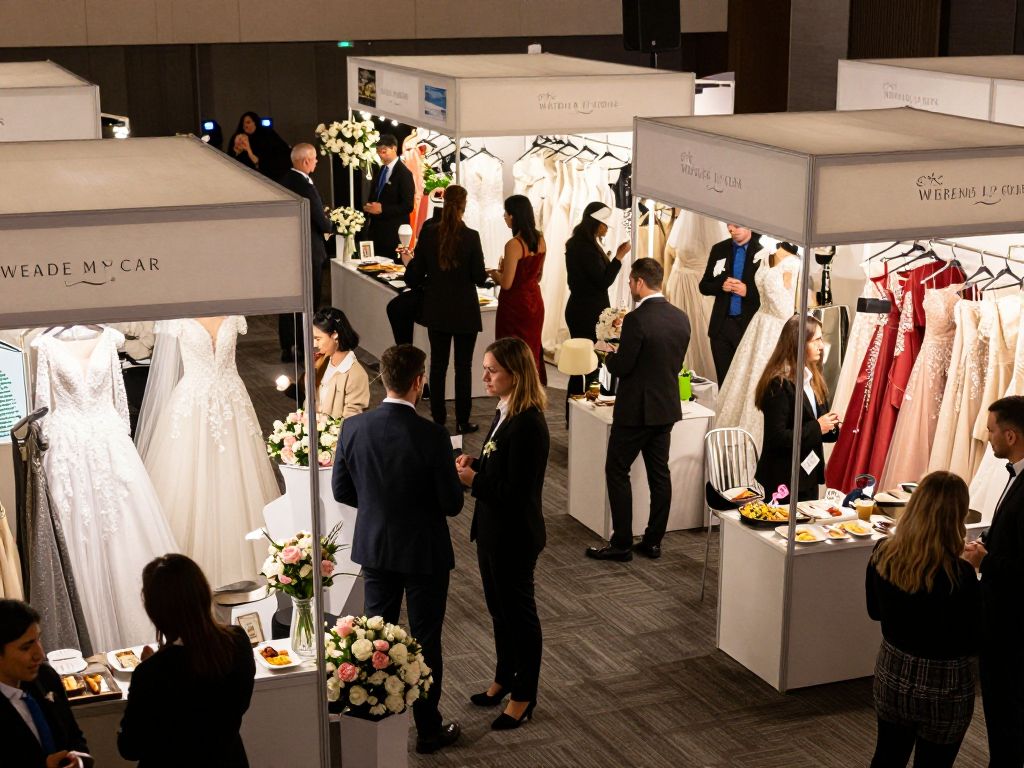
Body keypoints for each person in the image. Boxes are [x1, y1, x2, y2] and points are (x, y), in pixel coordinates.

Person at [332, 344, 464, 755]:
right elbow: (452, 504)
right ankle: (427, 729)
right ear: (419, 382)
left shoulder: (354, 429)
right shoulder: (433, 435)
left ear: (383, 379)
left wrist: (377, 506)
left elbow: (341, 489)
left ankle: (375, 720)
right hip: (424, 551)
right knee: (425, 640)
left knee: (376, 638)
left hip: (375, 546)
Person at [455, 337, 549, 730]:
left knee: (519, 616)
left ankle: (523, 695)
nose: (485, 376)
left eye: (492, 369)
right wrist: (477, 462)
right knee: (499, 612)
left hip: (514, 534)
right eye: (485, 367)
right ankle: (503, 678)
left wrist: (474, 479)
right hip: (493, 530)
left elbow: (519, 493)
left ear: (515, 373)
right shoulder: (506, 409)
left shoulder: (529, 423)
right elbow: (503, 466)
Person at [866, 471, 979, 768]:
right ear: (958, 516)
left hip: (893, 671)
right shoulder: (961, 575)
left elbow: (874, 611)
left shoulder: (883, 553)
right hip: (946, 684)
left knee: (888, 755)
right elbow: (973, 637)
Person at [586, 258, 690, 562]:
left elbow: (624, 367)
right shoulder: (681, 317)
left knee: (616, 470)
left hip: (635, 411)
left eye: (631, 281)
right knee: (660, 475)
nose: (630, 286)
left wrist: (606, 353)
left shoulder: (637, 320)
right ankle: (653, 541)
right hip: (666, 407)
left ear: (640, 282)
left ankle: (621, 543)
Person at [118, 554, 255, 767]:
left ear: (155, 611)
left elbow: (130, 747)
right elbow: (238, 705)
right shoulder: (238, 643)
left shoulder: (151, 673)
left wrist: (150, 667)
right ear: (203, 593)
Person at [964, 395, 1024, 766]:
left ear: (1011, 436)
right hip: (1004, 616)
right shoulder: (1016, 475)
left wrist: (987, 560)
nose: (988, 438)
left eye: (991, 431)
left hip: (1012, 621)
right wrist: (987, 542)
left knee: (1007, 707)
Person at [404, 185, 488, 434]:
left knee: (438, 365)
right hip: (465, 309)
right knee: (464, 366)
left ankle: (438, 418)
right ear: (464, 205)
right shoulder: (471, 236)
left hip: (437, 307)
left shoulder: (429, 234)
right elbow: (479, 276)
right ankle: (463, 420)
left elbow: (415, 275)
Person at [754, 315, 840, 503]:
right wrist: (818, 427)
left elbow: (819, 428)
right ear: (798, 343)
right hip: (783, 477)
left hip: (808, 476)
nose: (821, 345)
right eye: (816, 340)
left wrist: (831, 426)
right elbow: (777, 437)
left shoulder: (814, 378)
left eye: (821, 339)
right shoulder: (778, 383)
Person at [0, 599, 93, 768]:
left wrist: (79, 759)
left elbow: (74, 736)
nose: (40, 654)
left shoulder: (46, 677)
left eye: (38, 640)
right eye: (26, 648)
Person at [564, 202, 631, 398]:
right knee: (586, 363)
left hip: (584, 308)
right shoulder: (584, 247)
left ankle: (581, 405)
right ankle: (578, 407)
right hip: (586, 312)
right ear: (595, 223)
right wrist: (618, 257)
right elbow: (603, 281)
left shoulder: (583, 243)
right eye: (604, 224)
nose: (607, 228)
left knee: (587, 362)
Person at [278, 143, 333, 362]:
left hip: (290, 250)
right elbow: (321, 221)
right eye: (315, 158)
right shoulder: (304, 185)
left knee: (289, 301)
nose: (317, 162)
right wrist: (331, 225)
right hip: (308, 250)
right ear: (306, 161)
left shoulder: (284, 181)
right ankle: (302, 346)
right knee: (310, 301)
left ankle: (288, 346)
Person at [490, 195, 547, 384]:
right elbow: (538, 275)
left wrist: (494, 273)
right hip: (534, 301)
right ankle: (531, 389)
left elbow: (507, 283)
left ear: (514, 216)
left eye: (506, 213)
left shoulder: (514, 244)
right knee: (531, 347)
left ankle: (514, 392)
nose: (504, 217)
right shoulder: (540, 240)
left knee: (510, 351)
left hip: (515, 305)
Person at [698, 223, 764, 383]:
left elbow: (770, 295)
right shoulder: (719, 249)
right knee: (724, 381)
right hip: (721, 326)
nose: (730, 229)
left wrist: (748, 292)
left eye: (736, 225)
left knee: (743, 383)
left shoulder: (762, 253)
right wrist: (721, 286)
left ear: (749, 226)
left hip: (747, 327)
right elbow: (704, 286)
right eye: (729, 225)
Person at [308, 307, 370, 419]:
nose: (315, 344)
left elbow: (352, 421)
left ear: (335, 335)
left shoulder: (356, 375)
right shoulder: (321, 363)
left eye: (318, 339)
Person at [363, 133, 415, 262]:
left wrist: (382, 209)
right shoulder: (381, 170)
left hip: (393, 232)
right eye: (378, 152)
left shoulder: (404, 174)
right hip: (377, 230)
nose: (381, 155)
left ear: (394, 148)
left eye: (384, 151)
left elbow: (408, 206)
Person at [229, 111, 290, 181]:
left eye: (248, 122)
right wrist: (237, 151)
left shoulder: (267, 134)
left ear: (255, 122)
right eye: (243, 124)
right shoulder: (239, 137)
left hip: (270, 176)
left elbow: (279, 154)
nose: (245, 126)